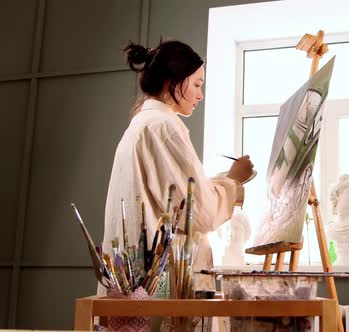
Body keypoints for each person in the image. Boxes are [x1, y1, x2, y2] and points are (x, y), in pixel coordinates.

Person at [100, 39, 254, 293]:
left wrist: (222, 180)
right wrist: (234, 182)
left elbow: (178, 196)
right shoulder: (162, 127)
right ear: (173, 81)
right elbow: (199, 211)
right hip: (156, 280)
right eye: (196, 84)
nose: (200, 94)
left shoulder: (144, 123)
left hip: (137, 277)